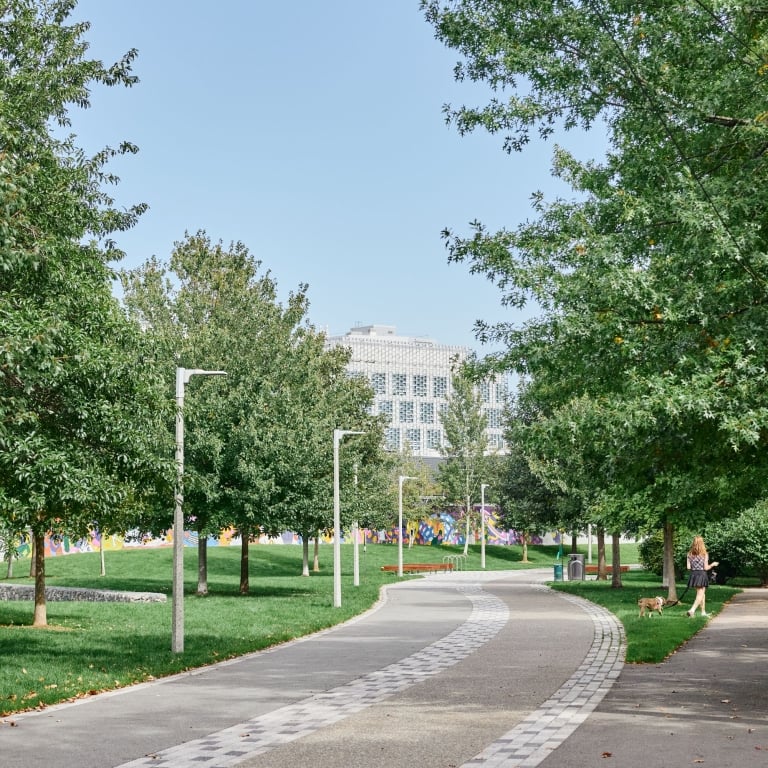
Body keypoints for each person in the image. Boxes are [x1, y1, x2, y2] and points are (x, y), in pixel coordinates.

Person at [686, 536, 718, 617]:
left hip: (693, 575)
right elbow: (706, 568)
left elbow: (688, 567)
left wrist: (694, 566)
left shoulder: (689, 554)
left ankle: (703, 612)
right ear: (702, 543)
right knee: (700, 594)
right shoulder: (704, 554)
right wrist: (713, 564)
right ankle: (692, 610)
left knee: (702, 594)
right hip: (701, 574)